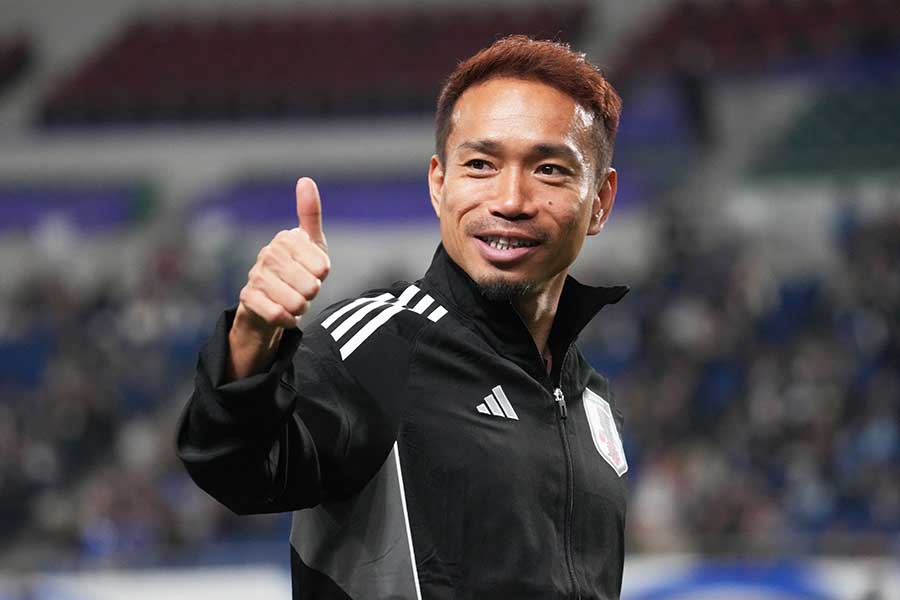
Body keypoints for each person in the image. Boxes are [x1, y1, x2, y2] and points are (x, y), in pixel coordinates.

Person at [177, 35, 629, 599]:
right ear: (439, 184)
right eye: (481, 165)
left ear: (600, 201)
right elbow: (233, 467)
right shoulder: (377, 346)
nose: (511, 199)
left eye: (550, 170)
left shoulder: (591, 399)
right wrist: (251, 335)